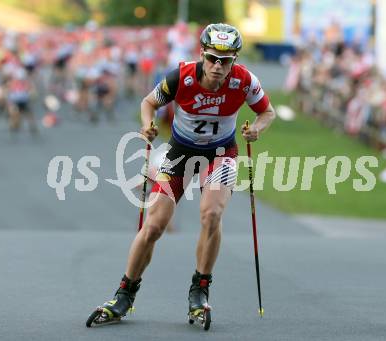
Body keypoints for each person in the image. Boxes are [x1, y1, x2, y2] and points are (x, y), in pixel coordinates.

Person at [89, 23, 276, 324]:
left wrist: (256, 129)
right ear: (202, 54)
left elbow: (267, 112)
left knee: (211, 215)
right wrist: (147, 124)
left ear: (235, 61)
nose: (218, 66)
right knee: (154, 226)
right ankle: (124, 295)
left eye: (225, 60)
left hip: (220, 154)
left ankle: (200, 290)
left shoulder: (244, 82)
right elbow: (148, 102)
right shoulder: (182, 77)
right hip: (179, 153)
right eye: (213, 58)